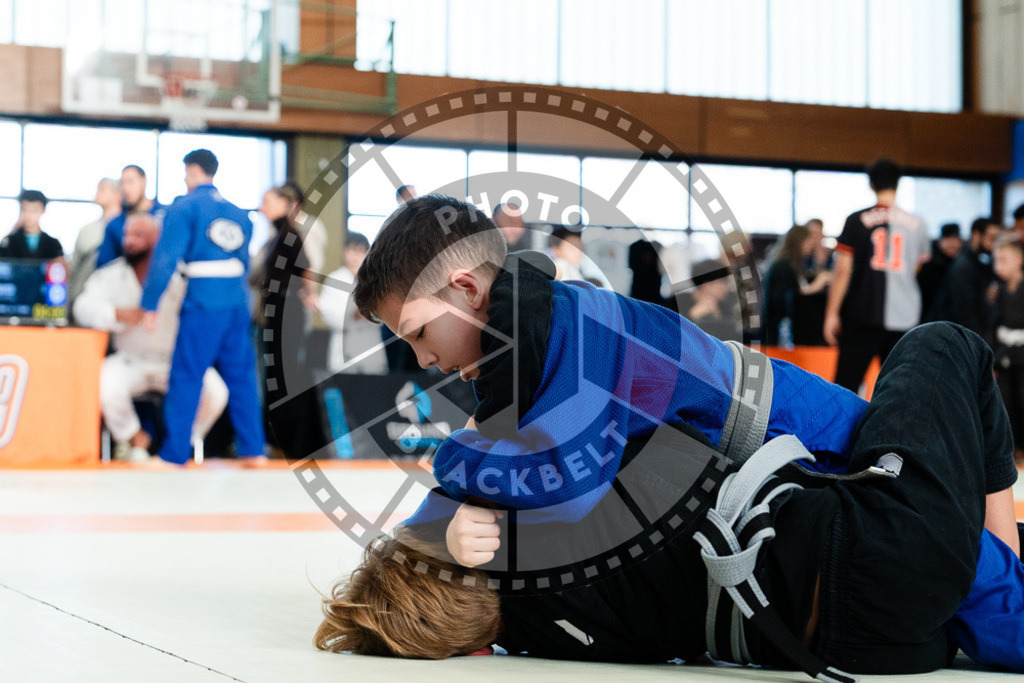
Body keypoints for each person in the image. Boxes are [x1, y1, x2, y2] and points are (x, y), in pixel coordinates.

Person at [319, 195, 1024, 674]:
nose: (423, 359)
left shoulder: (573, 323)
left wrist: (454, 450)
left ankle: (1005, 554)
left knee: (943, 540)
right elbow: (462, 501)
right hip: (813, 511)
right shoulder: (512, 366)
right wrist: (431, 538)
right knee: (947, 561)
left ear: (470, 290)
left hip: (809, 429)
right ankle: (1002, 562)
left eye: (416, 332)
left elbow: (567, 484)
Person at [138, 149, 266, 466]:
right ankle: (254, 451)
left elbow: (165, 260)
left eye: (185, 173)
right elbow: (245, 264)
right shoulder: (240, 214)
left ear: (194, 171)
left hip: (203, 300)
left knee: (187, 374)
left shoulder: (185, 207)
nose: (184, 178)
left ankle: (174, 453)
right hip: (237, 302)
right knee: (242, 377)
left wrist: (150, 304)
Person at [74, 214, 228, 463]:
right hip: (130, 359)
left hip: (174, 360)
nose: (129, 241)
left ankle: (182, 441)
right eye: (127, 235)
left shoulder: (181, 277)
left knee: (216, 391)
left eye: (138, 236)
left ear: (157, 240)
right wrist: (117, 313)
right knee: (104, 384)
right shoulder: (111, 275)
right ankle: (136, 438)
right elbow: (81, 307)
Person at [823, 159, 931, 393]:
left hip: (861, 313)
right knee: (899, 390)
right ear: (897, 184)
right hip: (905, 319)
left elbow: (842, 272)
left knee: (846, 385)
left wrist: (831, 314)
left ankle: (844, 430)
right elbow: (917, 269)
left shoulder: (855, 220)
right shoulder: (919, 224)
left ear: (871, 185)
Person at [320, 232, 388, 374]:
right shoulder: (334, 279)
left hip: (369, 346)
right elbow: (328, 316)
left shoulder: (374, 280)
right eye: (350, 250)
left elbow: (383, 315)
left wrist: (369, 313)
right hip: (342, 347)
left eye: (359, 251)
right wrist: (353, 315)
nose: (354, 256)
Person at [928, 217, 1002, 340]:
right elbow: (964, 313)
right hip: (956, 337)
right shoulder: (963, 267)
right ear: (977, 235)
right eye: (991, 238)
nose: (994, 243)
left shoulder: (982, 263)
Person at [764, 224, 830, 347]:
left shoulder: (797, 265)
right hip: (781, 334)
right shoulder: (783, 266)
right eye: (808, 240)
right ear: (799, 242)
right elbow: (782, 300)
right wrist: (812, 288)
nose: (811, 245)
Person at [992, 235, 1024, 467]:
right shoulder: (998, 290)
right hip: (1004, 354)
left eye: (1004, 260)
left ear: (1019, 259)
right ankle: (1011, 451)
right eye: (996, 260)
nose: (998, 266)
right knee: (1005, 402)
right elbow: (994, 325)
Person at [68, 178, 122, 313]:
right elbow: (73, 268)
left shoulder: (129, 229)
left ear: (117, 194)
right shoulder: (87, 230)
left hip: (117, 304)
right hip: (84, 301)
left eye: (102, 189)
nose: (97, 193)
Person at [95, 165, 164, 269]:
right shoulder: (115, 225)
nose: (126, 188)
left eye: (130, 182)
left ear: (143, 181)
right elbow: (103, 266)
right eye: (122, 183)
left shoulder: (166, 216)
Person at [917, 222, 964, 320]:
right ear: (941, 241)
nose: (953, 244)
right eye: (948, 240)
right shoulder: (929, 265)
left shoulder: (961, 263)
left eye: (955, 240)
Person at [0, 190, 64, 260]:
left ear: (43, 210)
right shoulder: (9, 242)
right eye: (25, 209)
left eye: (34, 210)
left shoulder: (53, 244)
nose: (29, 215)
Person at [548, 226, 612, 289]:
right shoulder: (559, 269)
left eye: (580, 247)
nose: (578, 252)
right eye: (572, 248)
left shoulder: (572, 269)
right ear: (556, 250)